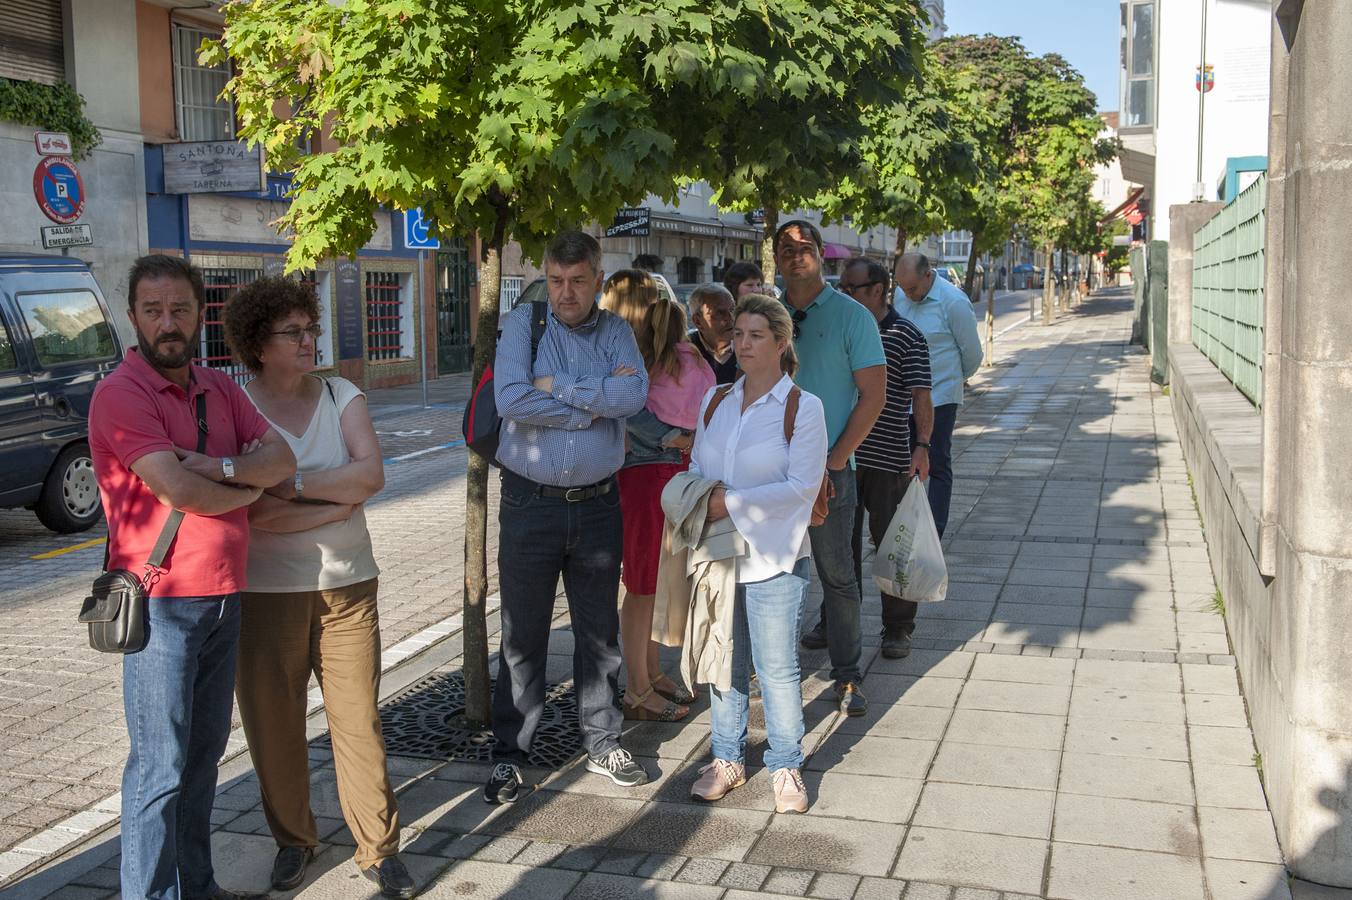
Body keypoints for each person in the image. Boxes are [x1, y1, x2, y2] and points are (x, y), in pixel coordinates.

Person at [89, 255, 296, 900]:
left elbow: (283, 459)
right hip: (161, 605)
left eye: (179, 308)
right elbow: (181, 492)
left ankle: (197, 887)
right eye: (153, 310)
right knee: (158, 769)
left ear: (199, 312)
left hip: (226, 597)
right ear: (133, 317)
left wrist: (221, 468)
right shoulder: (121, 394)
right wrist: (244, 481)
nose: (168, 322)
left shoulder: (220, 387)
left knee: (204, 761)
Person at [220, 277, 415, 898]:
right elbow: (253, 511)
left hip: (348, 586)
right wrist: (335, 501)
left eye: (312, 329)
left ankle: (378, 848)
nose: (309, 341)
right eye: (294, 332)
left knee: (357, 720)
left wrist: (297, 489)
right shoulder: (234, 407)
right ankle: (294, 841)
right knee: (273, 723)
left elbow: (372, 475)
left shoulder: (341, 395)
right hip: (264, 591)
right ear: (258, 342)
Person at [485, 230, 651, 805]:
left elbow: (633, 398)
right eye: (556, 281)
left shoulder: (617, 332)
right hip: (529, 504)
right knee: (522, 636)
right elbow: (511, 400)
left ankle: (604, 743)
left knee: (598, 632)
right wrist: (590, 406)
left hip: (600, 505)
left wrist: (560, 387)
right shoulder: (522, 327)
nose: (566, 293)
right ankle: (511, 755)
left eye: (578, 282)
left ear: (597, 280)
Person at [686, 294, 827, 813]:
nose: (742, 344)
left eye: (755, 336)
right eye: (739, 334)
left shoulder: (802, 407)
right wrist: (703, 500)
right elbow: (701, 464)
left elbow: (801, 487)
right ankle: (727, 758)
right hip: (720, 546)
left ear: (781, 342)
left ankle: (786, 765)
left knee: (778, 668)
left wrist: (729, 501)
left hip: (776, 555)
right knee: (724, 659)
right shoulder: (716, 399)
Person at [776, 220, 886, 718]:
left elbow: (875, 396)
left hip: (829, 471)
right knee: (767, 576)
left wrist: (836, 459)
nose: (795, 255)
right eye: (785, 247)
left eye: (805, 247)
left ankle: (847, 677)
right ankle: (770, 674)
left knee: (837, 575)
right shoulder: (765, 314)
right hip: (770, 472)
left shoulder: (851, 317)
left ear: (822, 255)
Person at [601, 271, 715, 721]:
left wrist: (679, 439)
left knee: (656, 581)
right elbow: (628, 413)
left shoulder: (645, 353)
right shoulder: (620, 357)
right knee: (643, 584)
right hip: (643, 477)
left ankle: (649, 672)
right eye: (653, 299)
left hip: (662, 475)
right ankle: (636, 689)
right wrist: (676, 436)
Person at [838, 257, 935, 660]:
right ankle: (836, 619)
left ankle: (898, 626)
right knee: (838, 545)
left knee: (892, 545)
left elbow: (922, 396)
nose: (843, 295)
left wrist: (923, 445)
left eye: (851, 289)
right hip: (842, 455)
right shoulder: (841, 330)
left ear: (877, 290)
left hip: (889, 456)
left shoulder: (905, 335)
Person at [895, 251, 983, 538]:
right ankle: (903, 524)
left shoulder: (954, 302)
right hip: (902, 397)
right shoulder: (900, 295)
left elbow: (972, 353)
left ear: (928, 275)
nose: (908, 294)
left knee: (937, 461)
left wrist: (952, 382)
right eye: (903, 288)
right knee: (901, 464)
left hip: (939, 398)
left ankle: (933, 530)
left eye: (913, 288)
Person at [687, 283, 738, 385]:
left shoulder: (748, 345)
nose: (730, 318)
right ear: (698, 321)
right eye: (719, 312)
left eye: (732, 310)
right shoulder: (684, 352)